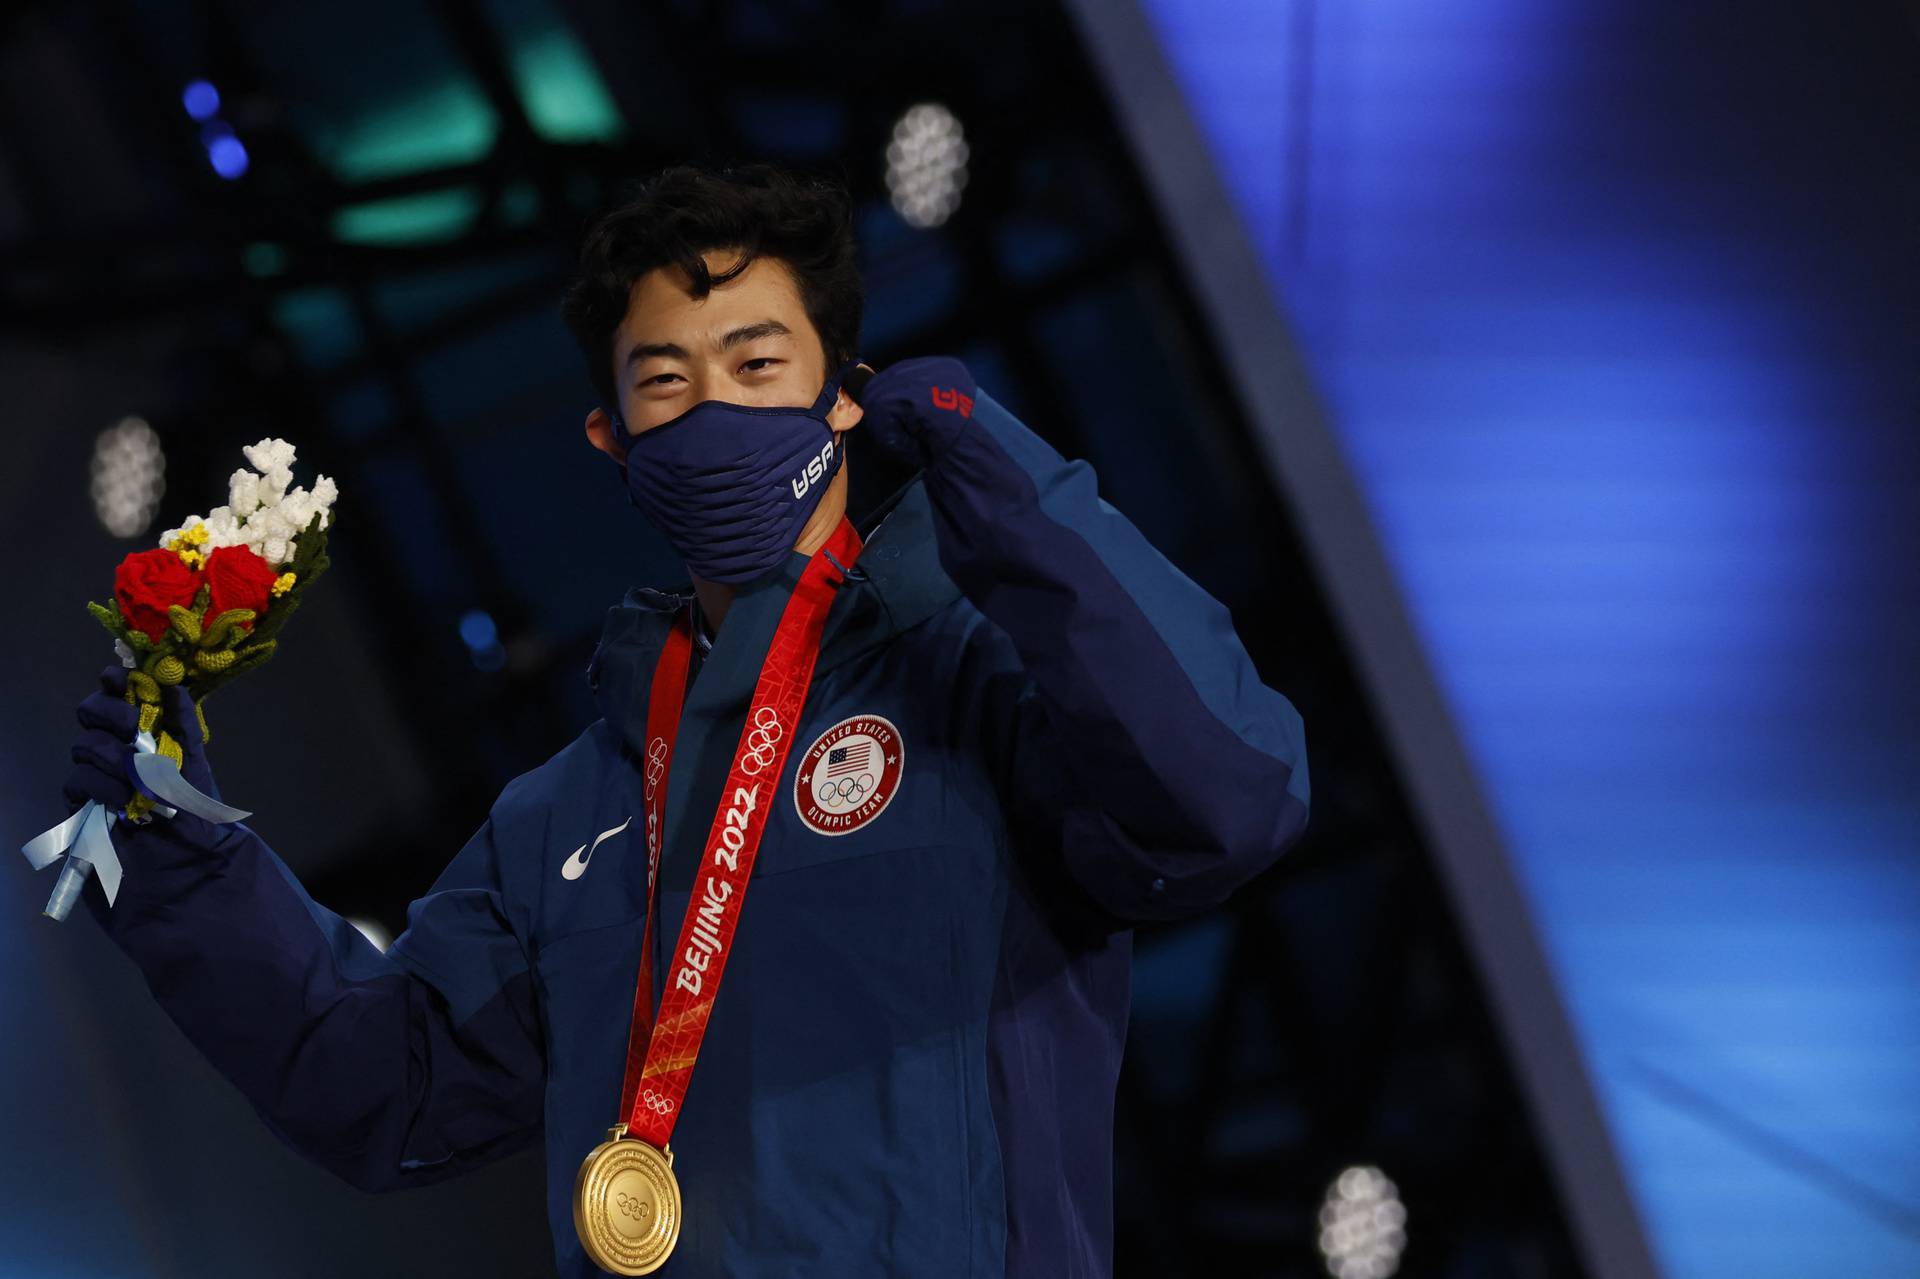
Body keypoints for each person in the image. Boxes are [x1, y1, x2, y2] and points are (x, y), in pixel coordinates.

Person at [64, 160, 1310, 1278]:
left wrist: (1003, 477)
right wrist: (173, 848)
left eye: (758, 365)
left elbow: (1225, 802)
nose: (715, 410)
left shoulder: (983, 687)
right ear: (613, 437)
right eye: (668, 381)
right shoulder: (567, 813)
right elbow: (384, 1088)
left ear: (844, 399)